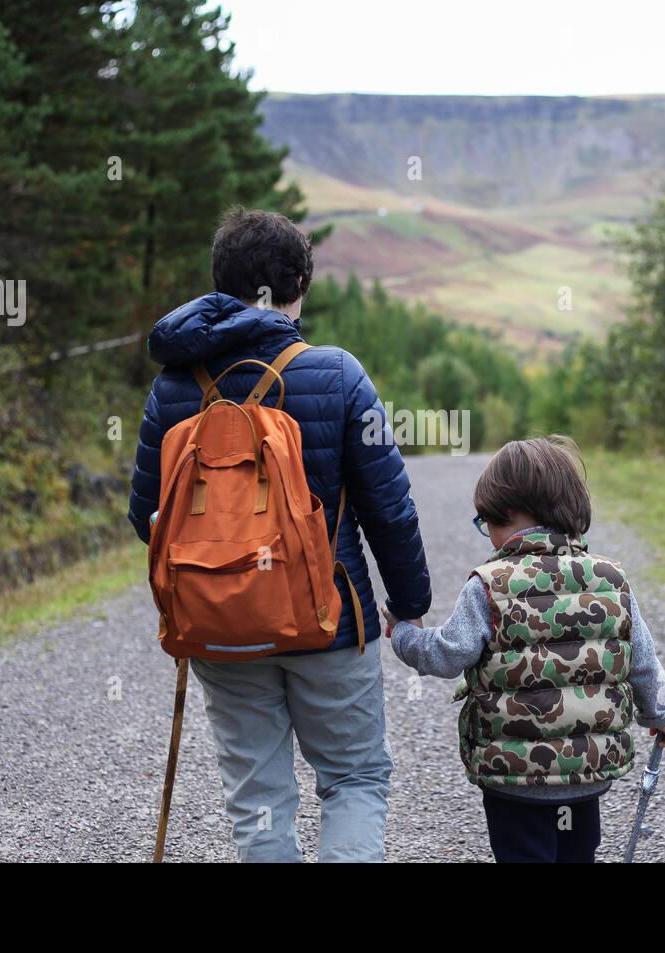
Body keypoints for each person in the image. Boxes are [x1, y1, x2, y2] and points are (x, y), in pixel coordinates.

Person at [129, 207, 431, 862]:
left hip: (219, 628)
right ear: (300, 285)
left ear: (218, 281)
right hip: (330, 622)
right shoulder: (339, 374)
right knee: (352, 776)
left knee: (257, 792)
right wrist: (410, 602)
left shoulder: (173, 386)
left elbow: (145, 516)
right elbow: (389, 508)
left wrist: (212, 577)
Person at [386, 435, 665, 863]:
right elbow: (642, 663)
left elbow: (444, 656)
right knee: (577, 854)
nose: (489, 536)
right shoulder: (611, 580)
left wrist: (404, 634)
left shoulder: (488, 585)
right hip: (586, 770)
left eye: (489, 521)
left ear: (514, 515)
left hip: (515, 778)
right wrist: (661, 716)